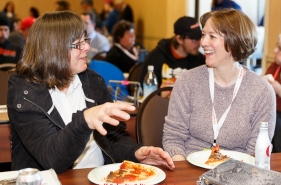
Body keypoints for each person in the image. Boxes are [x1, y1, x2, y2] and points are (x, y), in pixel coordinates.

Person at [7, 11, 174, 173]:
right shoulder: (24, 90)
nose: (87, 47)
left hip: (99, 181)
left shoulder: (92, 81)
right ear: (53, 49)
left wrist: (135, 153)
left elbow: (113, 138)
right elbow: (52, 159)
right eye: (78, 44)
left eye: (85, 40)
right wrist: (85, 120)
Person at [162, 9, 276, 161]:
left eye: (212, 36)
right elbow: (173, 137)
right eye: (203, 35)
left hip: (239, 174)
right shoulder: (187, 82)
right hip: (189, 169)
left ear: (234, 41)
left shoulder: (261, 90)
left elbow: (257, 149)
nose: (203, 42)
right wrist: (184, 173)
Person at [140, 16, 205, 90]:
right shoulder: (156, 56)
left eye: (200, 37)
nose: (199, 43)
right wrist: (159, 93)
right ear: (179, 39)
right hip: (161, 101)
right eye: (194, 40)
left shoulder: (200, 60)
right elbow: (143, 89)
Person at [263, 31, 281, 152]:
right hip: (273, 114)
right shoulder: (275, 66)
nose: (274, 50)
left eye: (280, 48)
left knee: (274, 121)